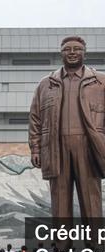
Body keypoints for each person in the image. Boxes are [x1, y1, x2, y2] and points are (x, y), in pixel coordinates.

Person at [29, 36, 105, 241]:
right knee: (60, 201)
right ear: (61, 53)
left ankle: (97, 248)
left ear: (84, 53)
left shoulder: (100, 81)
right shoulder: (46, 84)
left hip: (89, 147)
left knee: (92, 199)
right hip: (55, 147)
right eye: (67, 49)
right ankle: (62, 249)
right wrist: (35, 149)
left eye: (77, 49)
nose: (72, 52)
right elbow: (35, 118)